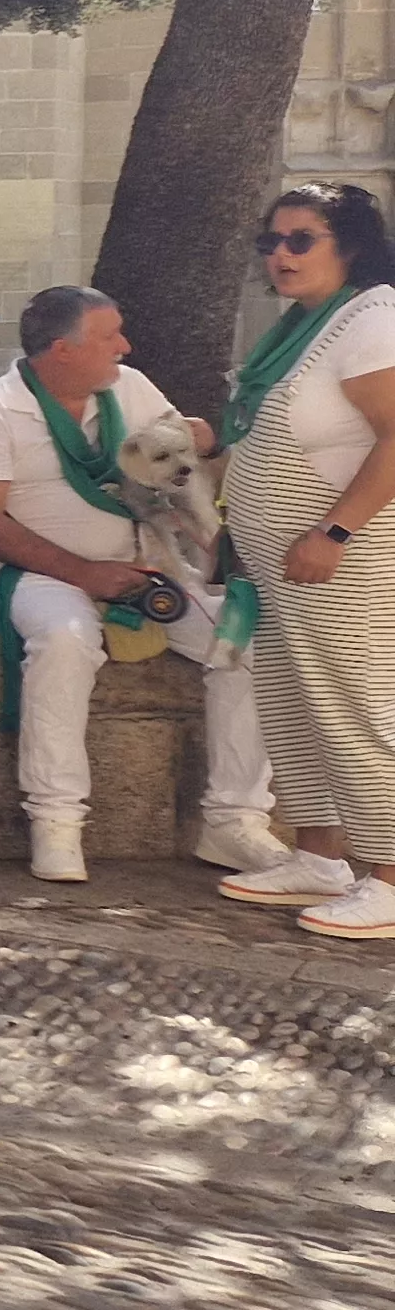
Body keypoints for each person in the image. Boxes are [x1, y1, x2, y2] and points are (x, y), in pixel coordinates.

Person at [0, 285, 290, 886]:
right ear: (62, 348)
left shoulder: (129, 389)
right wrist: (86, 575)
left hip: (139, 569)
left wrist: (203, 457)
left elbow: (181, 471)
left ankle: (234, 820)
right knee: (65, 637)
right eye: (110, 336)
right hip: (24, 573)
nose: (125, 346)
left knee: (246, 645)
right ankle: (57, 821)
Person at [213, 184, 395, 938]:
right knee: (294, 708)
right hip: (282, 571)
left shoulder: (372, 321)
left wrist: (334, 532)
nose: (280, 255)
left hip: (344, 562)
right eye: (271, 241)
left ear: (349, 245)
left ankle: (391, 878)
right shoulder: (301, 326)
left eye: (300, 240)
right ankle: (320, 856)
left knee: (357, 709)